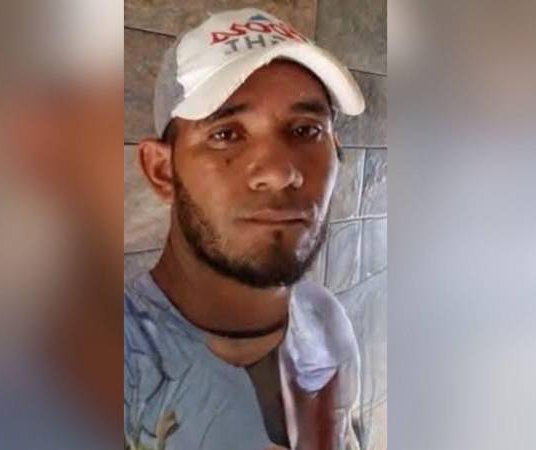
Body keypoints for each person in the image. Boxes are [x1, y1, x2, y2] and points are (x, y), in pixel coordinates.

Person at [125, 8, 365, 450]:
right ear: (162, 171)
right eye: (226, 134)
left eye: (305, 130)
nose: (278, 172)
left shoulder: (326, 322)